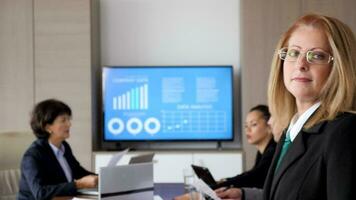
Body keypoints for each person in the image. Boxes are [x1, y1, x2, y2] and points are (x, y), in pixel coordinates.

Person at [217, 13, 356, 200]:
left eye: (316, 55)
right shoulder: (290, 132)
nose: (300, 64)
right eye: (293, 53)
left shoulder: (344, 131)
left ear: (340, 66)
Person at [174, 105, 277, 200]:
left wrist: (224, 184)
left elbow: (254, 177)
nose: (248, 130)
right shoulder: (263, 151)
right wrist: (225, 181)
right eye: (246, 126)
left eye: (253, 124)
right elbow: (251, 175)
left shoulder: (272, 151)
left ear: (269, 126)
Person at [18, 99, 98, 200]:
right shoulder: (33, 156)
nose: (69, 124)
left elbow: (79, 172)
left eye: (69, 119)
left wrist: (103, 178)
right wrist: (78, 184)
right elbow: (40, 193)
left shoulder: (64, 146)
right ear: (48, 127)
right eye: (63, 120)